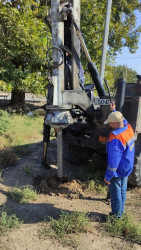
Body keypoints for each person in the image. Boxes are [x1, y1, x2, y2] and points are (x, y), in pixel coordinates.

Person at [104, 103, 135, 218]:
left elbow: (113, 162)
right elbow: (123, 119)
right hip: (127, 166)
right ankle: (120, 213)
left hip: (117, 170)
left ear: (116, 123)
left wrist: (108, 176)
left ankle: (116, 217)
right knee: (122, 190)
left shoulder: (116, 137)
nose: (110, 125)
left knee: (116, 193)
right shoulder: (128, 128)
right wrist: (114, 111)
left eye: (111, 123)